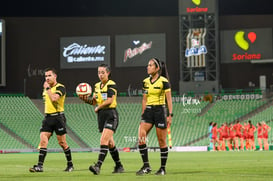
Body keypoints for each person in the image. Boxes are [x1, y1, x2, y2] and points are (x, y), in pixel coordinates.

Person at [79, 64, 124, 175]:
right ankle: (119, 166)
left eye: (103, 72)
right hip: (101, 116)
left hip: (110, 115)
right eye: (99, 72)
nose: (100, 74)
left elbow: (109, 100)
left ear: (108, 73)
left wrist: (99, 107)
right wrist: (85, 100)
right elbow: (94, 101)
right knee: (110, 144)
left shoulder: (111, 84)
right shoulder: (97, 86)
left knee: (103, 140)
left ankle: (98, 166)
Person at [29, 68, 74, 172]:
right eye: (46, 76)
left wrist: (48, 89)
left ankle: (70, 165)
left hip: (58, 117)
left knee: (62, 143)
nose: (47, 78)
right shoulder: (46, 89)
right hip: (48, 118)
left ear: (55, 76)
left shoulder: (61, 87)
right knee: (43, 140)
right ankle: (40, 166)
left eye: (49, 75)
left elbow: (54, 98)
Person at [136, 58, 173, 176]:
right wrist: (143, 114)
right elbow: (144, 99)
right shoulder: (145, 81)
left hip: (160, 111)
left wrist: (170, 115)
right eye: (148, 65)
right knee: (141, 137)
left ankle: (162, 168)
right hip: (148, 111)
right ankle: (146, 166)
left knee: (161, 141)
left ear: (157, 68)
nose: (148, 67)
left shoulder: (164, 81)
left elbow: (169, 99)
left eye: (150, 65)